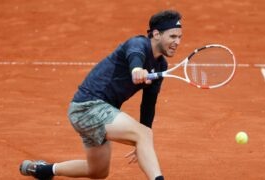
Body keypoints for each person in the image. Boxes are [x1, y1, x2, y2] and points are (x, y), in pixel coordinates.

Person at [19, 9, 182, 180]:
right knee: (143, 134)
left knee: (97, 171)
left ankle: (42, 170)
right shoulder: (137, 43)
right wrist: (136, 70)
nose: (177, 42)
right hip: (88, 106)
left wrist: (143, 142)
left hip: (97, 113)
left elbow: (148, 104)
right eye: (172, 36)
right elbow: (135, 56)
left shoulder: (161, 66)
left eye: (179, 37)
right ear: (156, 34)